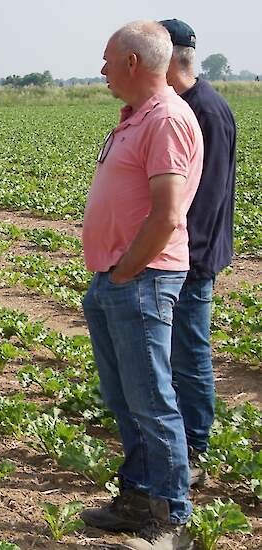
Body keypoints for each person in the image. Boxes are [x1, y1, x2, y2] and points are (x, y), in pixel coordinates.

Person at [79, 21, 204, 550]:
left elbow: (167, 213)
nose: (102, 69)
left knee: (152, 399)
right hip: (114, 278)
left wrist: (128, 269)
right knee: (124, 398)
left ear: (134, 62)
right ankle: (136, 497)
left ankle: (172, 518)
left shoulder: (168, 119)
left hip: (142, 280)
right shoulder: (134, 118)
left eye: (108, 59)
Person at [159, 18, 237, 489]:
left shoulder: (205, 110)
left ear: (169, 57)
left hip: (194, 255)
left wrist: (186, 257)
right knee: (176, 351)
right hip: (181, 253)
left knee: (189, 350)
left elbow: (205, 199)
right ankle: (180, 438)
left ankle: (196, 447)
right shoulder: (182, 105)